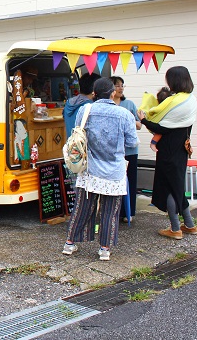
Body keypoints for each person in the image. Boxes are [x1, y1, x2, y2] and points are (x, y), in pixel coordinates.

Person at [62, 77, 138, 261]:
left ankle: (70, 244)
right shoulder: (124, 114)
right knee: (109, 211)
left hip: (90, 169)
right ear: (112, 93)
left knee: (82, 208)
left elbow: (79, 133)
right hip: (114, 171)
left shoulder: (84, 110)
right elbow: (132, 142)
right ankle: (104, 249)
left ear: (94, 93)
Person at [138, 66, 197, 240]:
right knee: (178, 186)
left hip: (168, 151)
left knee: (170, 188)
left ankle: (175, 228)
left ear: (174, 80)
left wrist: (144, 119)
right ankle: (190, 225)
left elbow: (161, 127)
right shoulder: (191, 99)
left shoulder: (174, 101)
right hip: (181, 149)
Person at [111, 76, 142, 222]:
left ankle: (129, 212)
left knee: (131, 179)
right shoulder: (107, 105)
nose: (120, 88)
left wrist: (128, 118)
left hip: (129, 150)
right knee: (115, 181)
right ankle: (115, 211)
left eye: (122, 85)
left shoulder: (129, 104)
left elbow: (139, 125)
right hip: (112, 150)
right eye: (117, 85)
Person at [63, 73, 100, 137]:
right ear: (95, 89)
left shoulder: (68, 103)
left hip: (71, 145)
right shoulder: (91, 107)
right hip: (85, 146)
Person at [145, 87, 173, 152]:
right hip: (163, 128)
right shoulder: (167, 107)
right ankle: (153, 143)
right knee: (159, 133)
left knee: (159, 133)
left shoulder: (157, 107)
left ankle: (153, 143)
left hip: (157, 126)